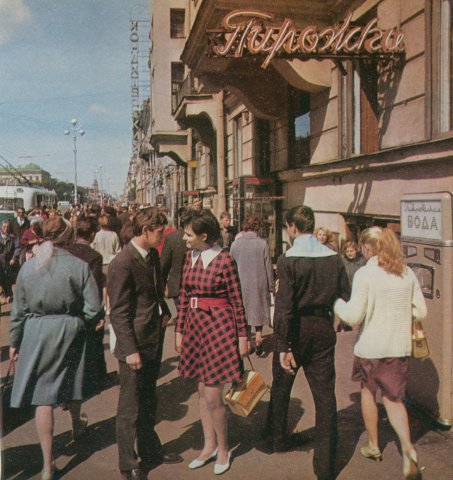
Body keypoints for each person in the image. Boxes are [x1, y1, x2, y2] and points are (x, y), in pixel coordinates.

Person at [9, 217, 102, 480]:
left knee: (43, 397)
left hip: (36, 331)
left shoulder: (29, 267)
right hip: (71, 328)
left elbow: (18, 310)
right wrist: (81, 322)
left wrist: (14, 342)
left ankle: (48, 464)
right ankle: (76, 425)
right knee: (72, 380)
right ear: (68, 237)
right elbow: (94, 307)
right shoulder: (79, 266)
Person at [334, 227, 427, 480]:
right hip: (398, 347)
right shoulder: (406, 272)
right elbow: (421, 311)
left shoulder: (365, 274)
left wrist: (337, 304)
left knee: (368, 392)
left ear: (366, 247)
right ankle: (408, 449)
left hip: (371, 347)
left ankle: (374, 446)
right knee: (394, 400)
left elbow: (354, 316)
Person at [265, 205, 350, 480]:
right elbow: (345, 293)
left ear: (292, 227)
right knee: (325, 396)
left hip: (295, 329)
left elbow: (284, 307)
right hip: (323, 326)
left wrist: (283, 345)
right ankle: (325, 467)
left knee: (281, 384)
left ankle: (276, 438)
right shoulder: (334, 257)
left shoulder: (287, 259)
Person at [108, 207, 182, 480]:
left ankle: (150, 450)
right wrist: (130, 350)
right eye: (159, 232)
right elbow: (118, 312)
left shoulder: (151, 255)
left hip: (153, 337)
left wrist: (164, 310)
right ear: (146, 231)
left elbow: (154, 289)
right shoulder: (122, 262)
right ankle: (128, 463)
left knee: (149, 399)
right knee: (130, 407)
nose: (163, 236)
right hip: (134, 344)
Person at [175, 209, 250, 475]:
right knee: (201, 391)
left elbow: (237, 300)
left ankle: (224, 448)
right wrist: (179, 330)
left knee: (213, 394)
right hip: (195, 328)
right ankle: (208, 446)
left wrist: (243, 336)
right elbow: (184, 295)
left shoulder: (225, 260)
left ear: (204, 235)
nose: (184, 239)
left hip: (219, 328)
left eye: (188, 234)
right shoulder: (189, 257)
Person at [65, 217, 107, 380]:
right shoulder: (94, 256)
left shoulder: (66, 250)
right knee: (94, 341)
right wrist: (99, 313)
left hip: (68, 303)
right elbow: (94, 286)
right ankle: (97, 376)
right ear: (92, 235)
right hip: (86, 305)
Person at [230, 215, 274, 356]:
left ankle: (248, 342)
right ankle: (259, 338)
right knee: (258, 311)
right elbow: (268, 267)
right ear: (258, 228)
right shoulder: (263, 244)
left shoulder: (235, 244)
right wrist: (271, 286)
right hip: (259, 283)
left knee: (245, 313)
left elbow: (230, 266)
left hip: (241, 284)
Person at [91, 214, 121, 315]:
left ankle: (104, 305)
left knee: (103, 285)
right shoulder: (113, 235)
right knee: (110, 285)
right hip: (112, 262)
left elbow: (92, 248)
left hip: (101, 262)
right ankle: (109, 305)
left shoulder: (96, 235)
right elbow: (118, 250)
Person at [160, 207, 188, 312]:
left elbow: (164, 265)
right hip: (193, 286)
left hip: (177, 285)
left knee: (181, 314)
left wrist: (162, 286)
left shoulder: (172, 238)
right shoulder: (199, 238)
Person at [337, 241, 367, 332]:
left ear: (356, 250)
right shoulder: (343, 262)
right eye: (347, 251)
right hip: (347, 291)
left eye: (351, 251)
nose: (349, 253)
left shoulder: (363, 261)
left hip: (359, 291)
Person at [0, 220, 19, 303]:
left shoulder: (13, 237)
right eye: (4, 227)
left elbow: (17, 248)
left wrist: (14, 258)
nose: (6, 229)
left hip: (8, 261)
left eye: (7, 227)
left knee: (8, 279)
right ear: (1, 227)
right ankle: (2, 295)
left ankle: (8, 295)